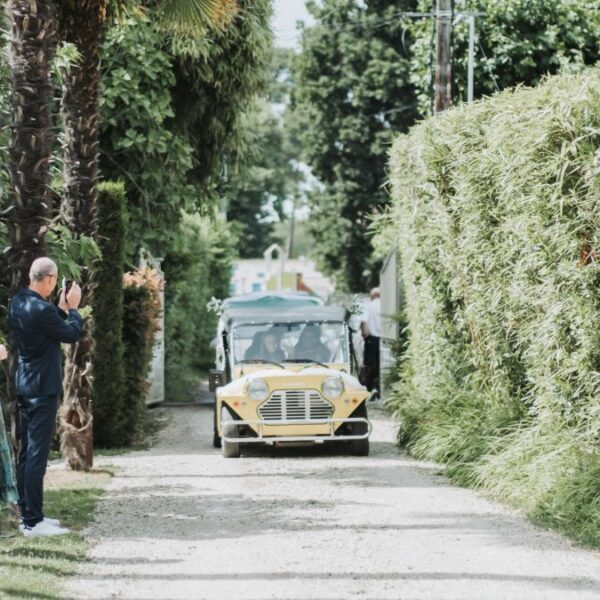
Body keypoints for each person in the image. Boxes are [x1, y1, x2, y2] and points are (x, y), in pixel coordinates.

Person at [9, 257, 82, 537]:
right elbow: (72, 334)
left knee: (27, 453)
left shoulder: (19, 303)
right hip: (43, 389)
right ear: (50, 280)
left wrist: (60, 310)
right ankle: (33, 522)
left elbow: (47, 327)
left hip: (25, 384)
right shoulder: (42, 310)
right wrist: (73, 308)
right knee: (37, 454)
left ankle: (29, 514)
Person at [360, 287, 381, 396]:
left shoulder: (369, 306)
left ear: (372, 296)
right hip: (384, 339)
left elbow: (363, 321)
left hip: (372, 339)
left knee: (369, 363)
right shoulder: (386, 305)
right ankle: (378, 387)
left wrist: (364, 334)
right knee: (380, 363)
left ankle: (369, 386)